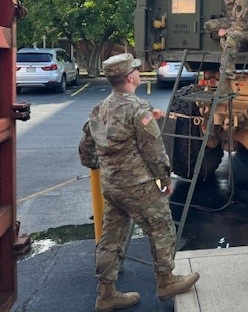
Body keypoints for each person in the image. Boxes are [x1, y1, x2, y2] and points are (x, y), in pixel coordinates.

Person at [78, 53, 199, 311]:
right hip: (138, 187)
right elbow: (154, 151)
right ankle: (166, 281)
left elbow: (86, 150)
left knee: (111, 236)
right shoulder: (137, 108)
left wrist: (103, 167)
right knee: (162, 226)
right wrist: (165, 179)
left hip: (111, 186)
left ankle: (106, 293)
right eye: (135, 70)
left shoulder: (99, 109)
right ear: (131, 77)